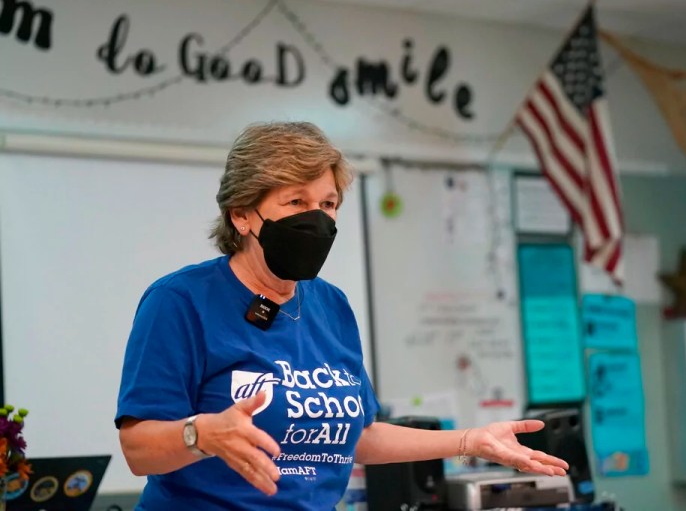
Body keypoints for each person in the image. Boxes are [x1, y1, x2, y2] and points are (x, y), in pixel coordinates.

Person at [115, 121, 569, 510]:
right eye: (296, 202)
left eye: (328, 204)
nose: (316, 219)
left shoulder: (330, 305)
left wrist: (470, 441)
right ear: (241, 215)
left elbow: (360, 437)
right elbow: (137, 449)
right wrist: (201, 433)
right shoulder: (180, 301)